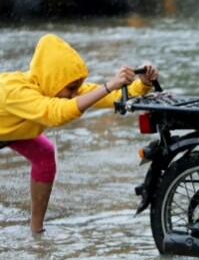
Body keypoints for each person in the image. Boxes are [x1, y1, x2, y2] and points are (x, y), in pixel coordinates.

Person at [0, 33, 158, 234]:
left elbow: (114, 96)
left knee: (45, 155)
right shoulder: (14, 91)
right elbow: (55, 114)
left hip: (11, 130)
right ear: (53, 79)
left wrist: (143, 82)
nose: (75, 95)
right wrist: (109, 84)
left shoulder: (56, 86)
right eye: (71, 89)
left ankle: (36, 231)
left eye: (77, 88)